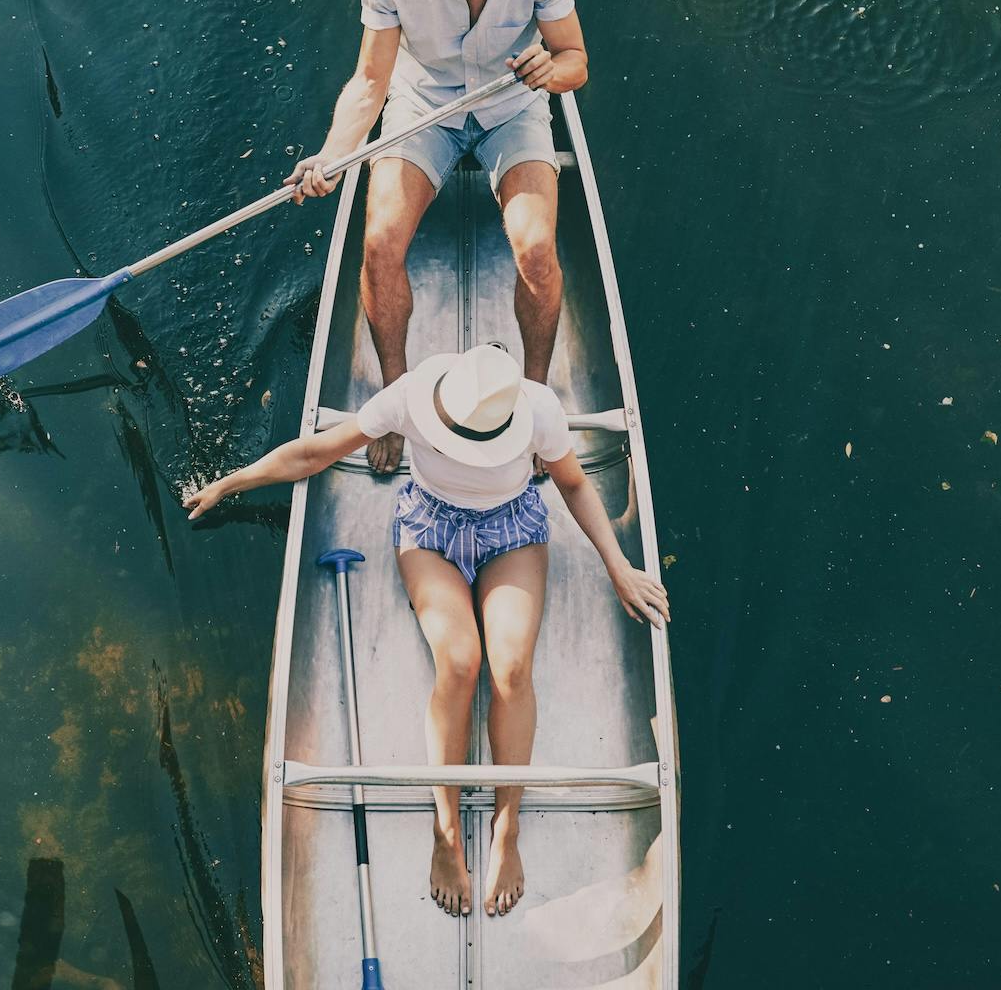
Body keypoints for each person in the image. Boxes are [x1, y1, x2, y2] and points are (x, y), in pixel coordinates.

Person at [182, 344, 668, 920]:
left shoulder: (537, 408)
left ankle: (506, 827)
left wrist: (619, 567)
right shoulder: (410, 395)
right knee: (459, 662)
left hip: (512, 529)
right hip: (430, 531)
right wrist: (232, 484)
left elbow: (576, 485)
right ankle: (445, 831)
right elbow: (315, 452)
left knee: (511, 668)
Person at [286, 0, 589, 474]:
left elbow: (575, 62)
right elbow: (371, 80)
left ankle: (533, 403)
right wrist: (333, 154)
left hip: (513, 109)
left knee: (535, 250)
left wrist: (546, 72)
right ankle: (395, 400)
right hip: (423, 109)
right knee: (378, 244)